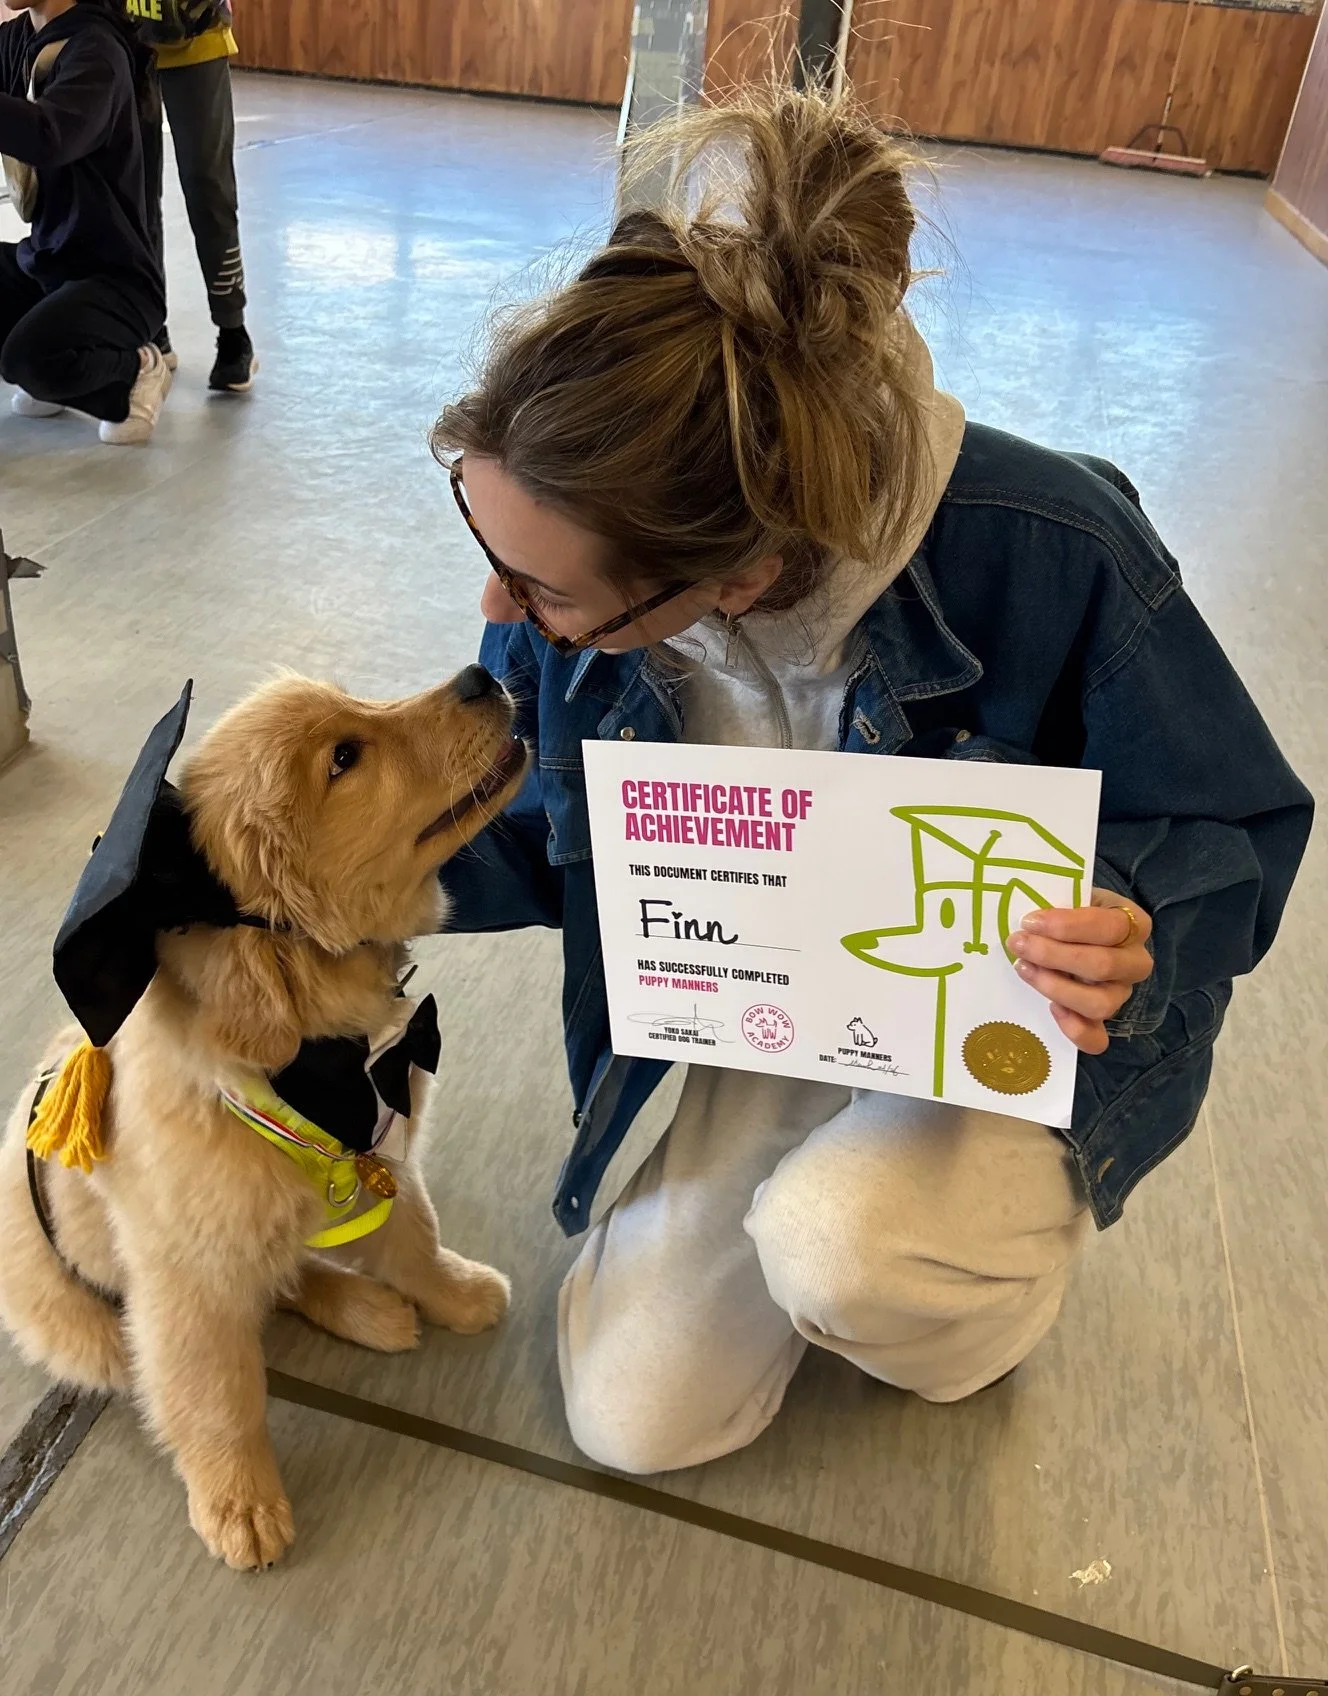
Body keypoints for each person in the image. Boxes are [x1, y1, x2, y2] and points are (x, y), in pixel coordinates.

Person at [433, 86, 1313, 1475]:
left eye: (540, 592)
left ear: (734, 580)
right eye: (488, 543)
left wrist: (1125, 915)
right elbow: (547, 827)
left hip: (998, 1037)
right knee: (634, 1421)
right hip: (771, 1009)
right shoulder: (587, 575)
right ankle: (824, 1208)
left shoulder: (1058, 547)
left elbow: (1237, 825)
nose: (499, 608)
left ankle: (970, 1306)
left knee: (844, 1252)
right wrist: (343, 873)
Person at [0, 0, 169, 444]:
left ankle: (133, 372)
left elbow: (50, 136)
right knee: (26, 351)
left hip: (116, 279)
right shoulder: (20, 39)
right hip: (48, 261)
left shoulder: (97, 49)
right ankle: (53, 371)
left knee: (28, 360)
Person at [131, 0, 255, 392]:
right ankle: (151, 325)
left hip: (197, 34)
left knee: (209, 186)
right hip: (123, 38)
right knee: (134, 191)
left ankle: (233, 331)